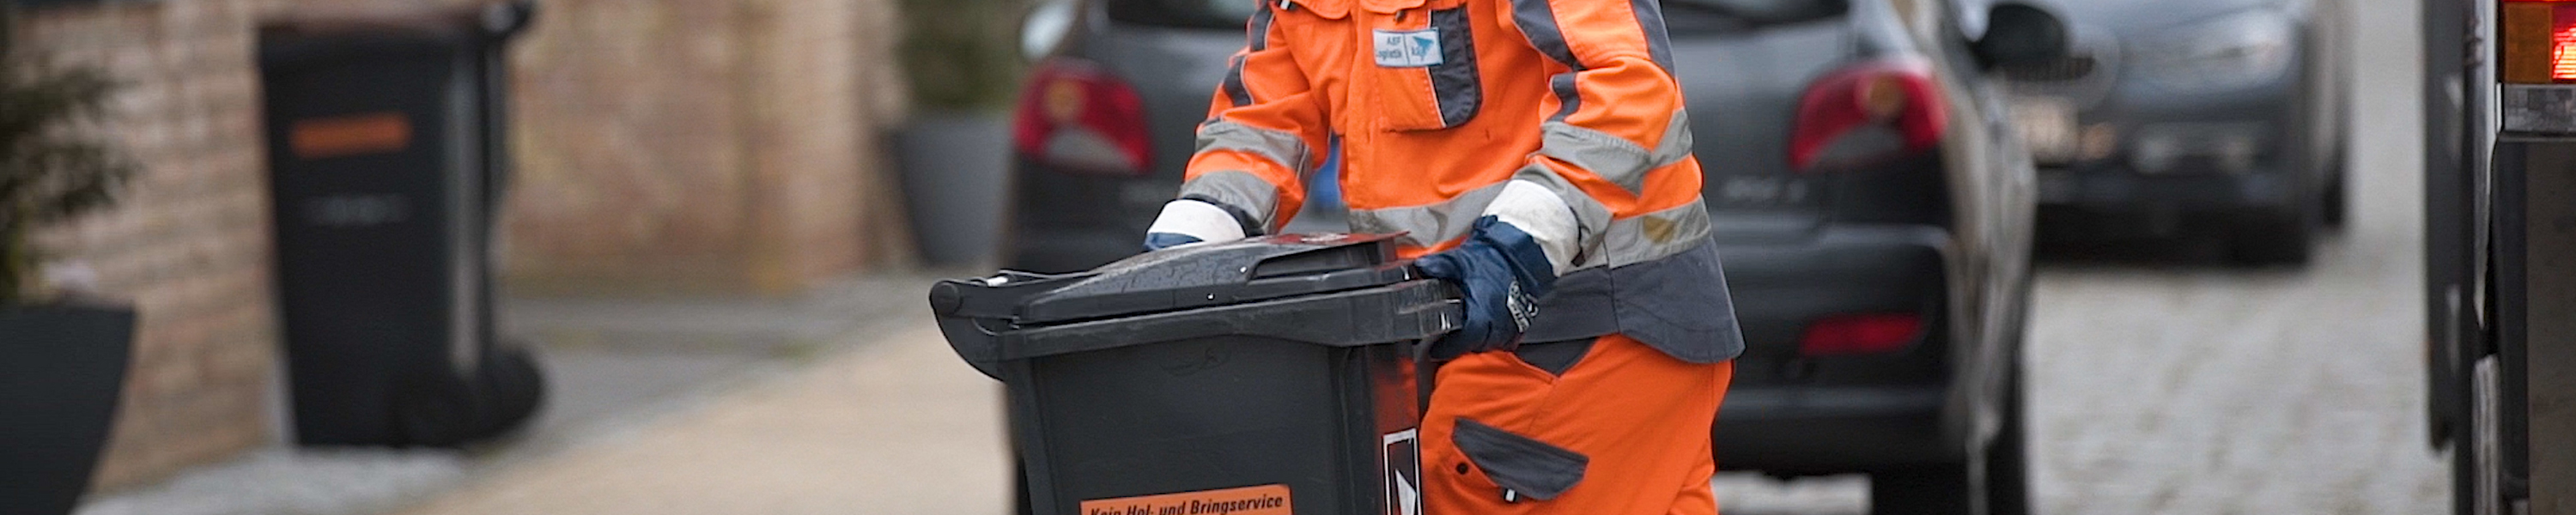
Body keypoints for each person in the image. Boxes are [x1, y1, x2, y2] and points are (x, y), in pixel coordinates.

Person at [1139, 0, 1746, 511]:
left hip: (1583, 325)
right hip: (1467, 326)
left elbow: (1627, 83)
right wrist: (1188, 246)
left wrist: (1518, 244)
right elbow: (1264, 116)